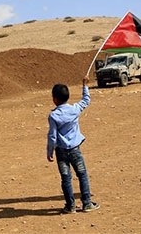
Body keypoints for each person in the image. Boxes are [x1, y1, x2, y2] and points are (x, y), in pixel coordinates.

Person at [47, 75, 99, 214]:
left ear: (55, 99)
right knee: (82, 174)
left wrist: (49, 152)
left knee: (66, 178)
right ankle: (87, 203)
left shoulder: (53, 116)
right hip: (75, 150)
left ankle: (70, 206)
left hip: (61, 152)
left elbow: (52, 136)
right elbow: (86, 100)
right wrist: (85, 86)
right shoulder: (74, 109)